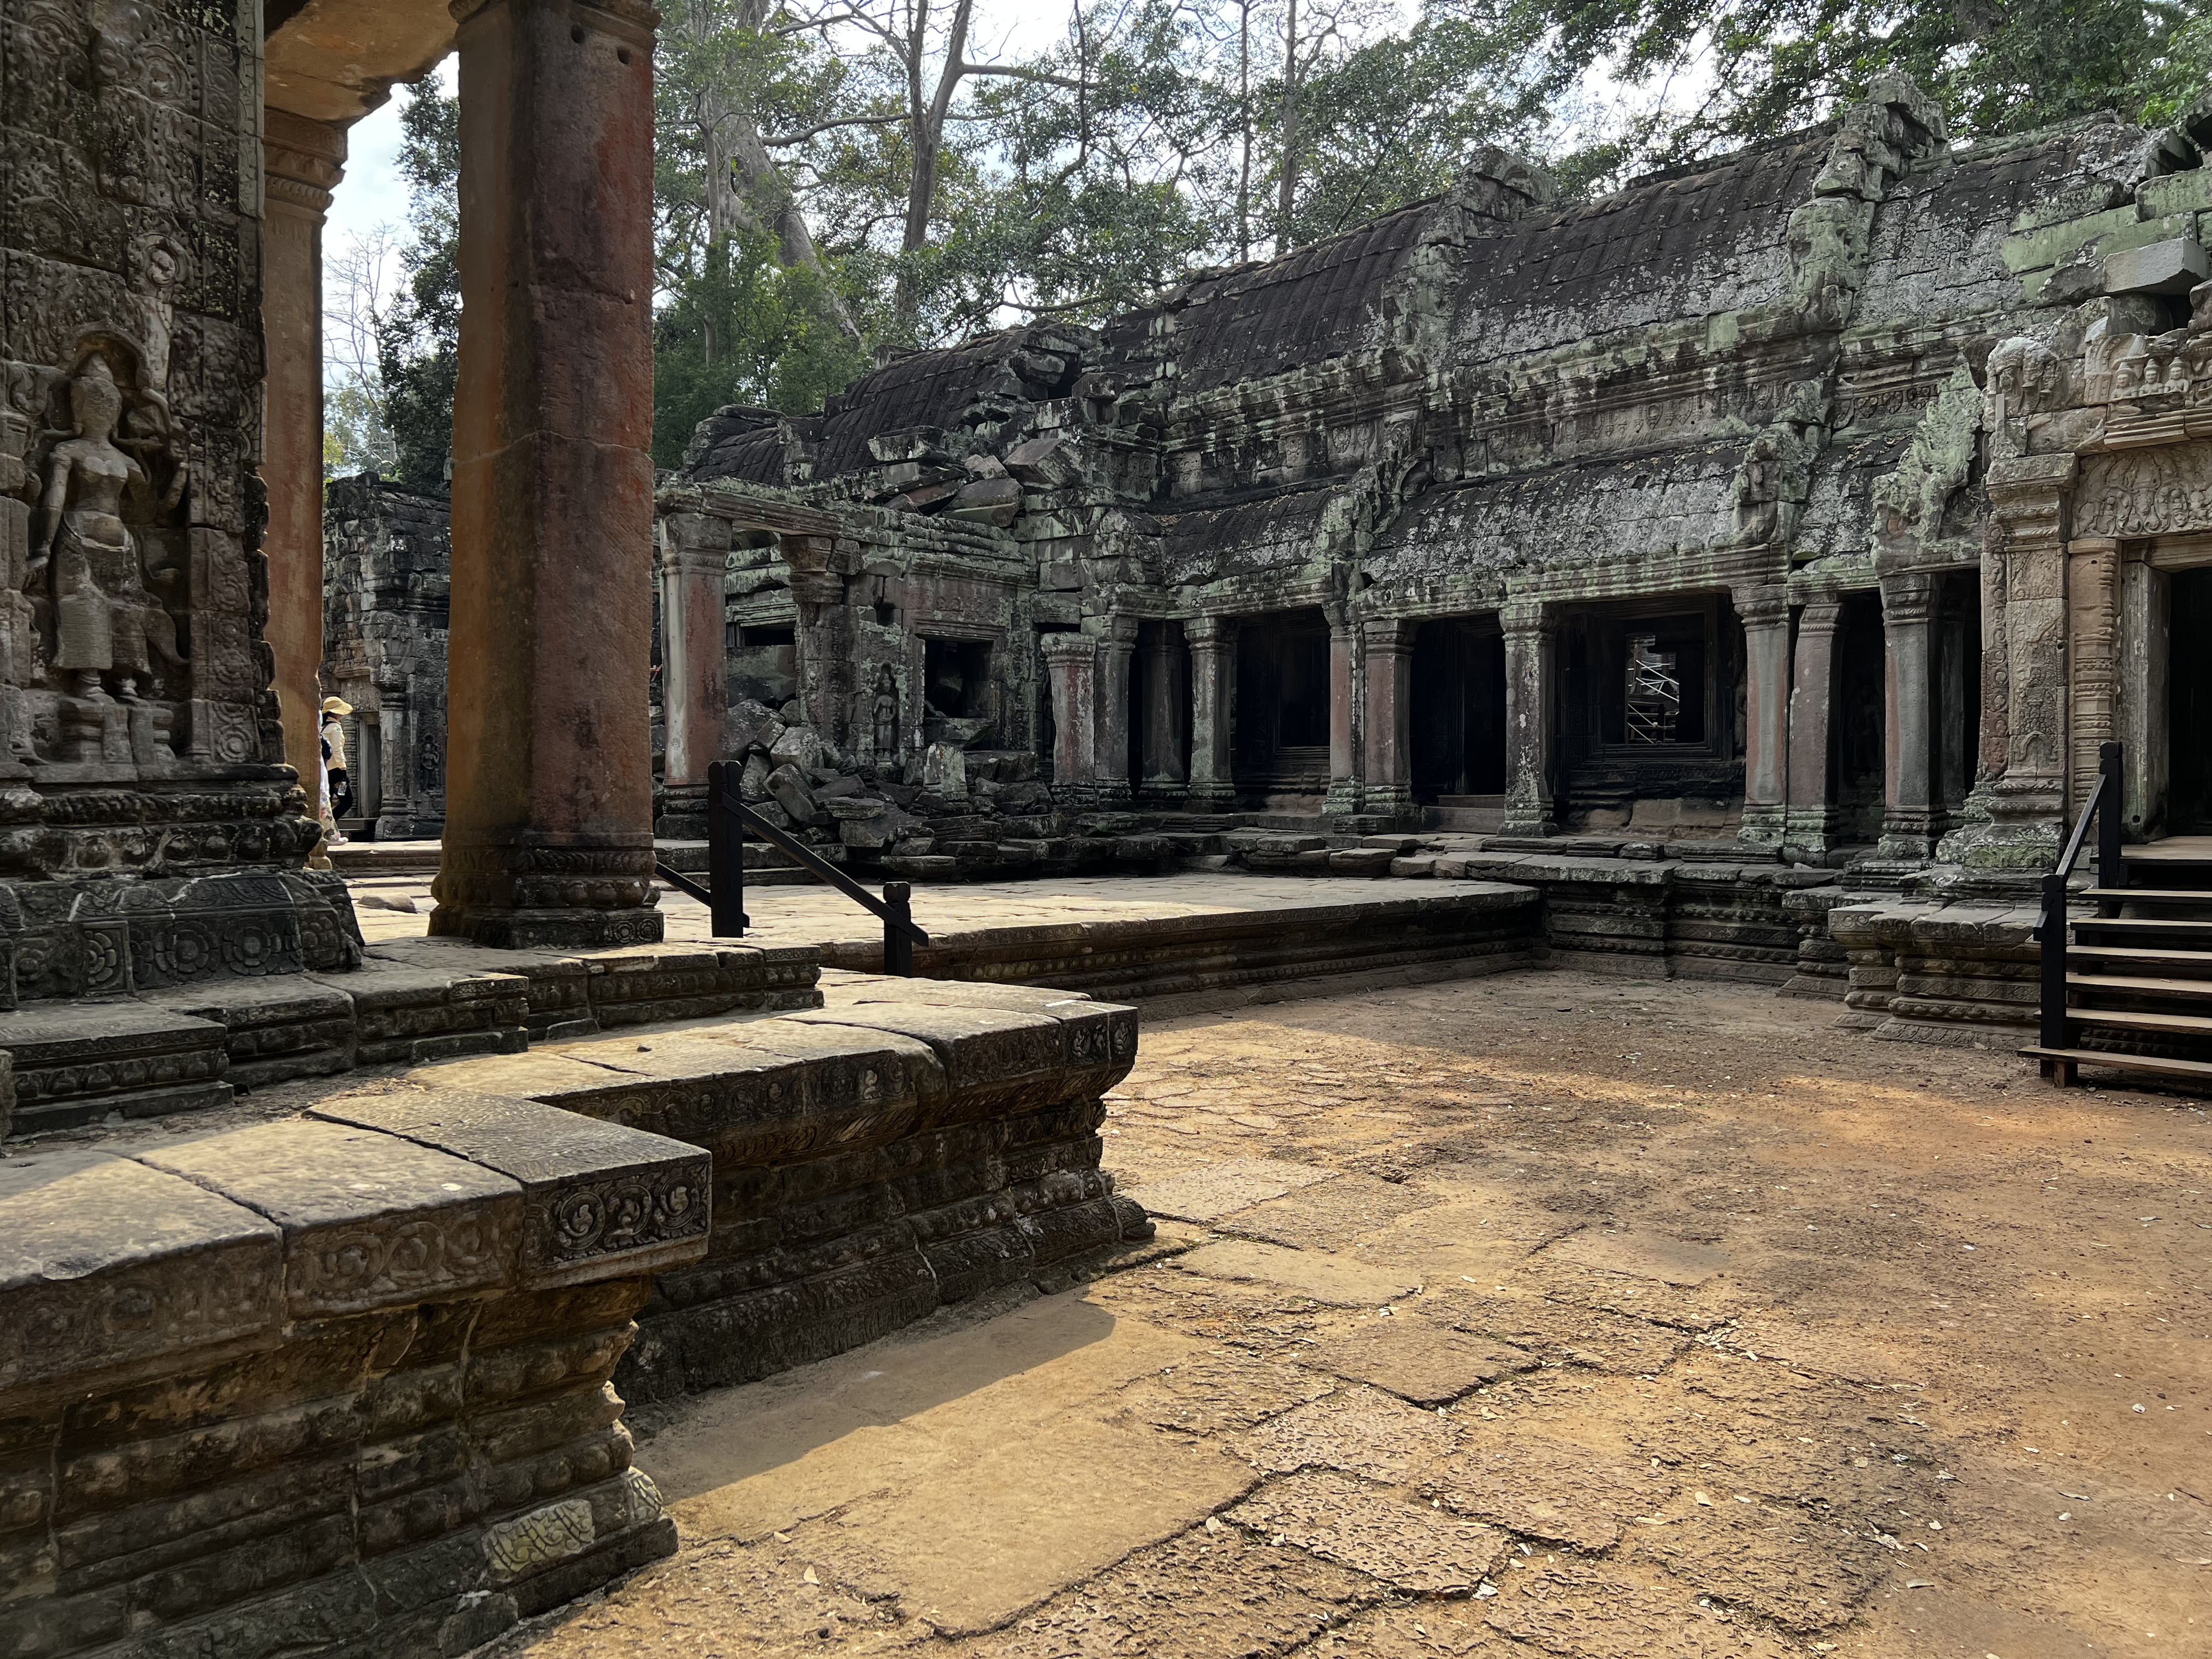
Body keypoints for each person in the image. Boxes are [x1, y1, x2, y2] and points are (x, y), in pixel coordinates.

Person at [321, 696, 353, 835]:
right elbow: (337, 749)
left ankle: (327, 829)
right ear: (333, 713)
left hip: (326, 770)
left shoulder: (324, 727)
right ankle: (329, 829)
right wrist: (343, 767)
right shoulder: (335, 728)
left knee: (328, 801)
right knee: (347, 801)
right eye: (339, 712)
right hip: (336, 770)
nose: (341, 715)